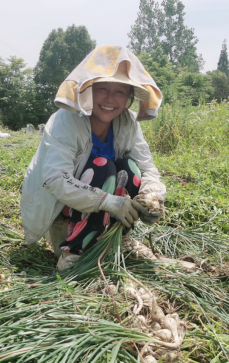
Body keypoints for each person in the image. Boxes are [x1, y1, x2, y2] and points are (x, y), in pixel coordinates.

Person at [21, 45, 166, 270]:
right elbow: (55, 179)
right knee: (103, 167)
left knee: (129, 167)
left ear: (129, 96)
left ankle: (122, 237)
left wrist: (152, 196)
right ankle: (74, 251)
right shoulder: (67, 120)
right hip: (64, 208)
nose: (110, 99)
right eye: (102, 89)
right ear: (88, 89)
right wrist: (107, 201)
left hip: (107, 206)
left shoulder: (128, 123)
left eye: (119, 91)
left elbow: (147, 167)